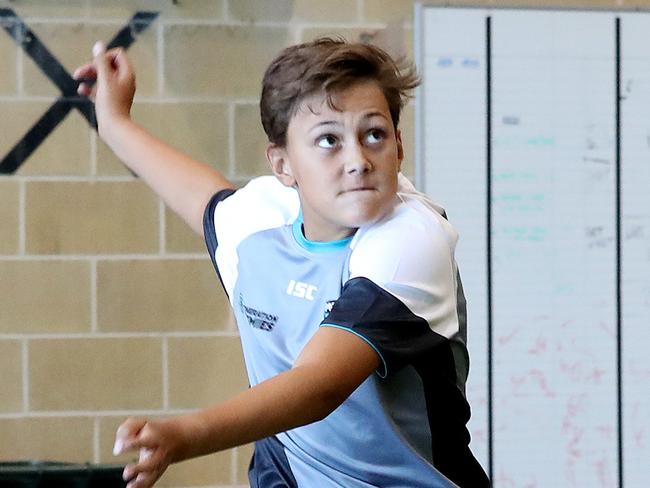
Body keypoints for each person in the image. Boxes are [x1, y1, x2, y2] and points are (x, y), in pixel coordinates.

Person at [74, 37, 490, 488]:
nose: (358, 161)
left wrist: (185, 435)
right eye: (328, 140)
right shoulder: (257, 225)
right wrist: (114, 120)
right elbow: (199, 196)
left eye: (374, 134)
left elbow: (319, 384)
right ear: (283, 164)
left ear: (399, 146)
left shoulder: (412, 241)